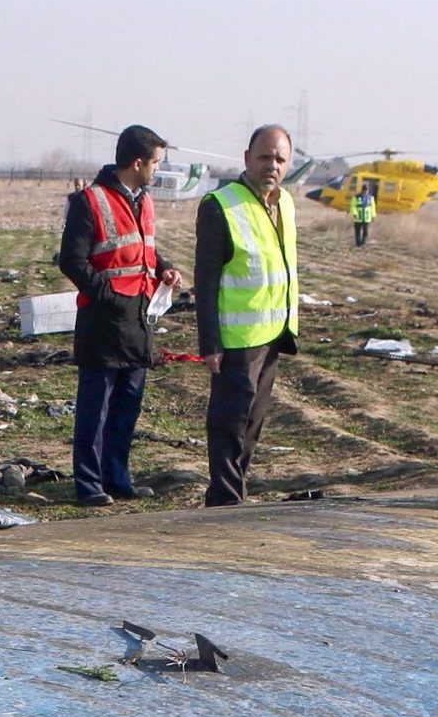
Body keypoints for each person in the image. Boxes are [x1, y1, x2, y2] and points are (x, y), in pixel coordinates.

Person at [55, 124, 182, 506]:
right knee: (96, 408)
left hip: (139, 319)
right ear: (138, 162)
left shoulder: (144, 200)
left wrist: (165, 268)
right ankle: (89, 484)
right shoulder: (89, 201)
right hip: (104, 321)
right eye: (156, 163)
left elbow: (143, 249)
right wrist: (108, 296)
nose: (157, 170)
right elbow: (71, 261)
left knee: (128, 405)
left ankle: (117, 476)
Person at [195, 125, 302, 508]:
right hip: (236, 339)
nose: (271, 165)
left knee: (252, 425)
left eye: (279, 159)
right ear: (246, 159)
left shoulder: (285, 203)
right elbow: (205, 280)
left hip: (272, 331)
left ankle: (236, 491)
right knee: (229, 422)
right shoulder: (220, 205)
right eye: (264, 157)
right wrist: (209, 342)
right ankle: (224, 500)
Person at [351, 181, 376, 247]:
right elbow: (353, 206)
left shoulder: (370, 198)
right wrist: (354, 213)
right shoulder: (356, 197)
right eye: (364, 191)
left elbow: (373, 207)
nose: (365, 192)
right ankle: (358, 243)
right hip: (358, 217)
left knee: (365, 231)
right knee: (358, 231)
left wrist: (373, 216)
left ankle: (363, 242)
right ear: (362, 190)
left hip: (366, 217)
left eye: (366, 191)